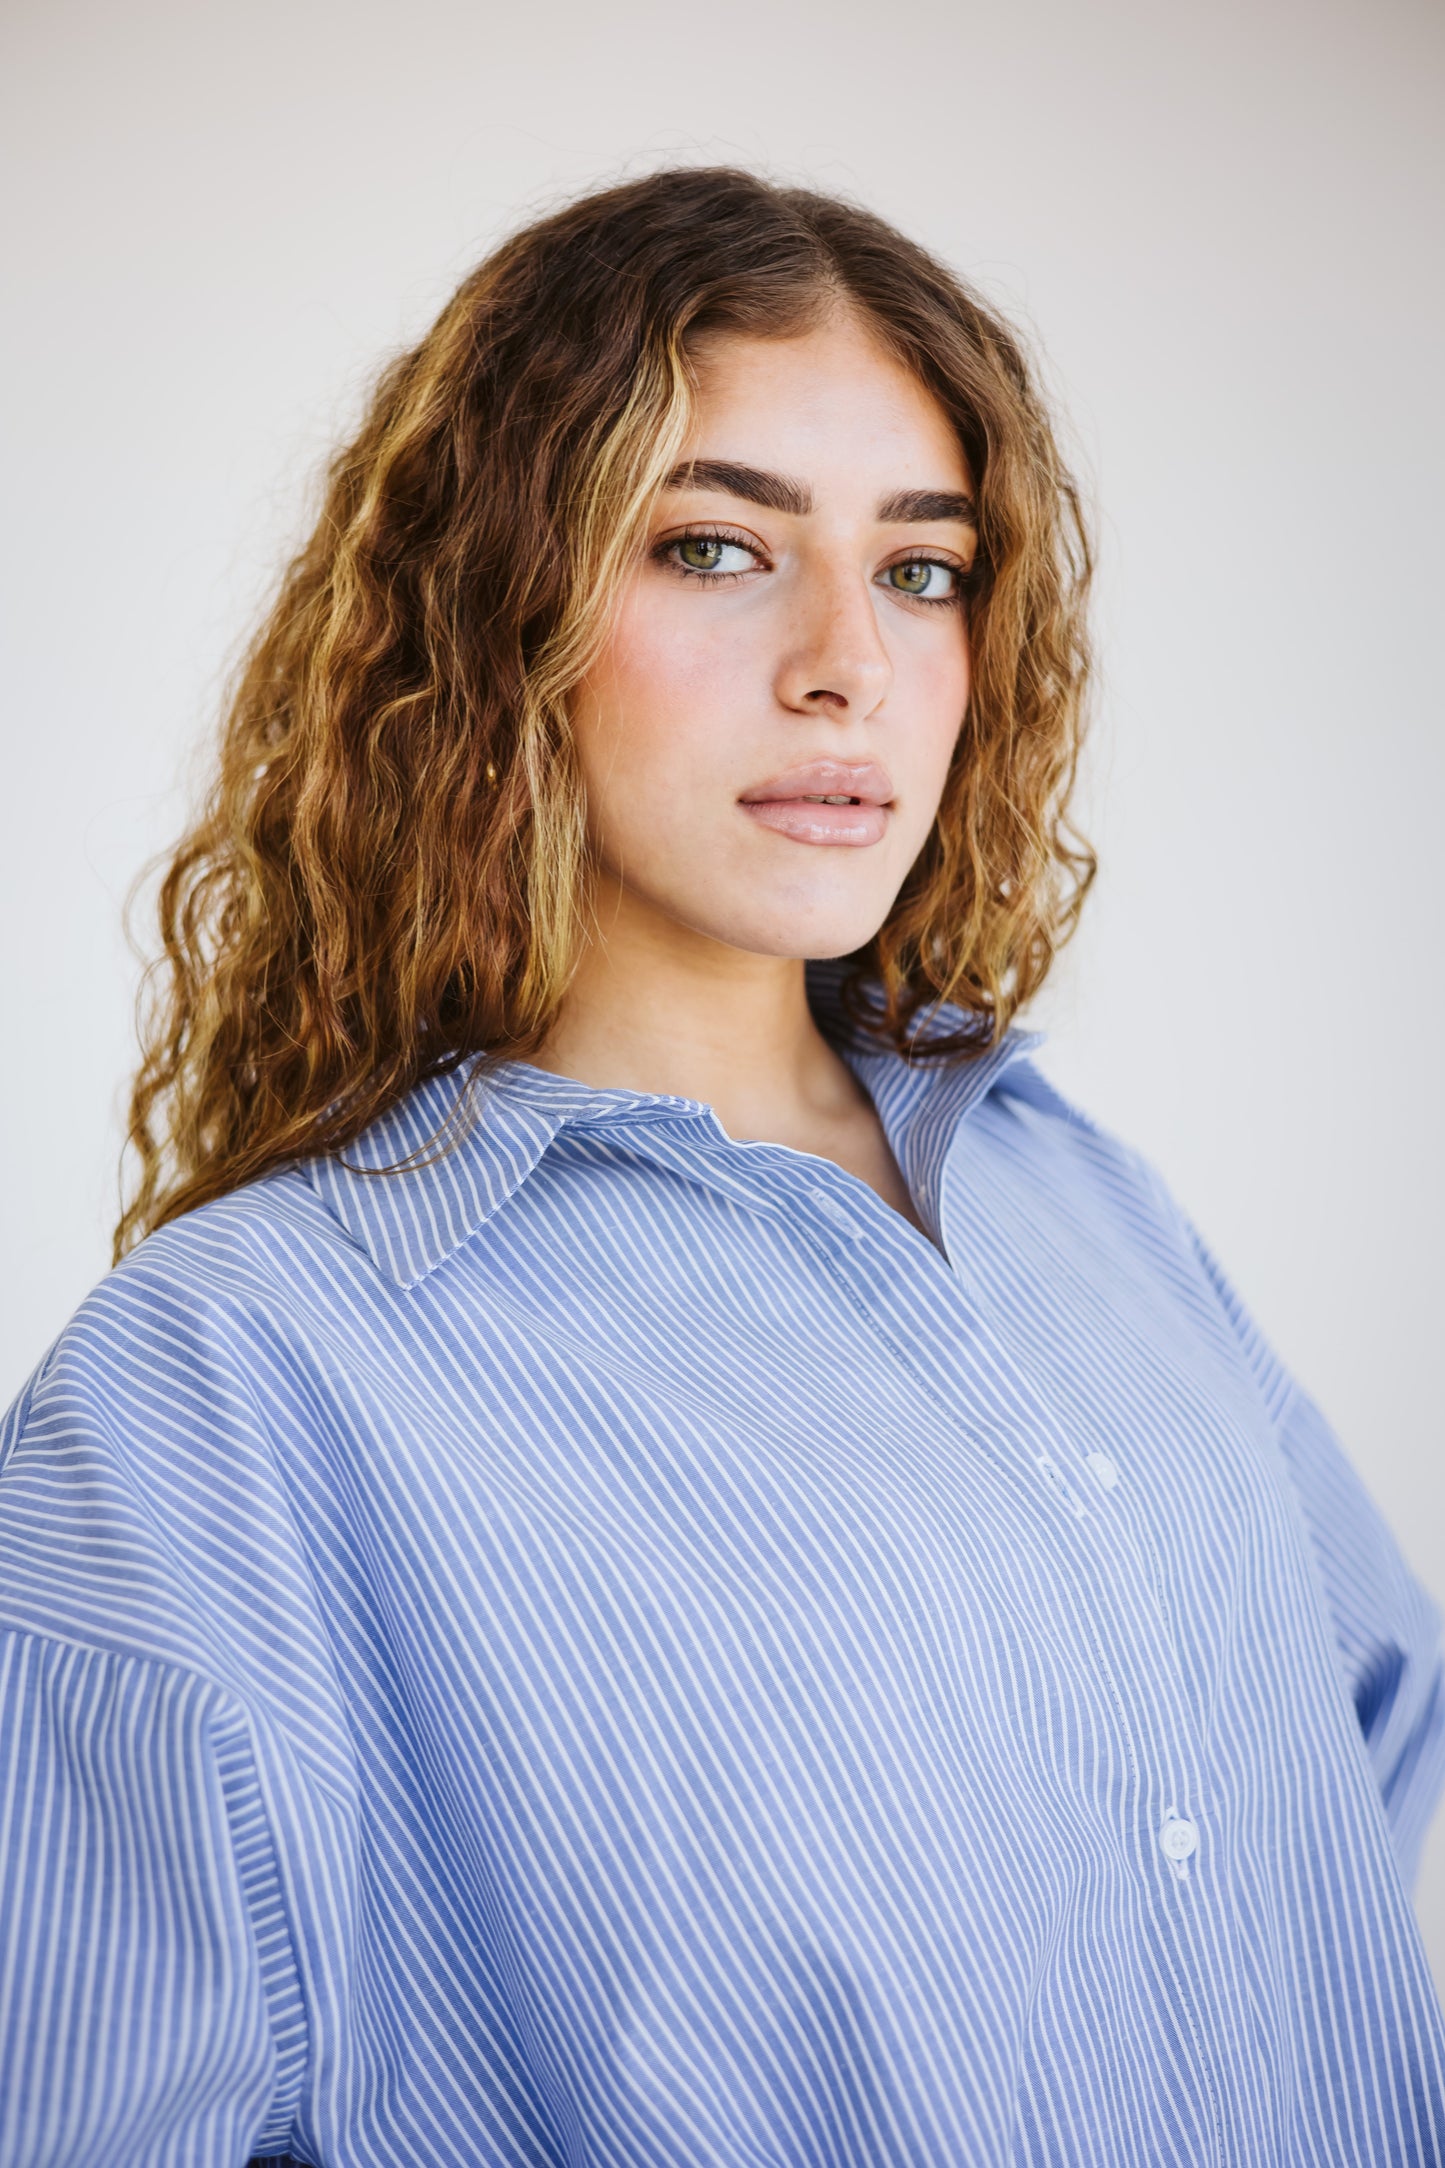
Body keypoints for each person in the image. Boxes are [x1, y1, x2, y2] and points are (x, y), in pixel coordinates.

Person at [1, 167, 1442, 2168]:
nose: (848, 661)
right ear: (502, 616)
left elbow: (1353, 1738)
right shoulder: (224, 1391)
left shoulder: (1065, 1183)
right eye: (713, 546)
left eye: (924, 567)